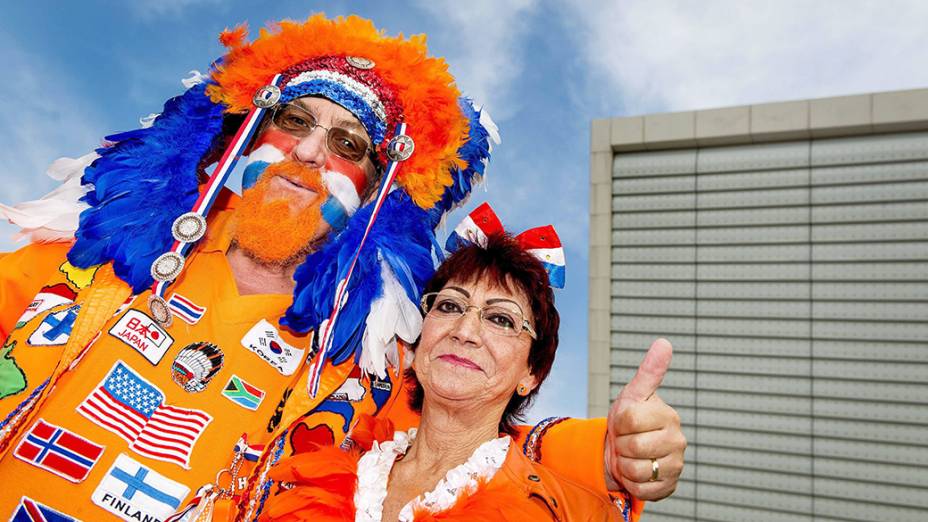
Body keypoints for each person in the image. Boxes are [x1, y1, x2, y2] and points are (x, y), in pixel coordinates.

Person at [0, 14, 684, 522]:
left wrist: (613, 453)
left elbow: (475, 447)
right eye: (293, 121)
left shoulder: (364, 365)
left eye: (347, 143)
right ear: (244, 140)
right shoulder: (83, 261)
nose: (309, 152)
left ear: (373, 194)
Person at [260, 210, 627, 521]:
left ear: (531, 372)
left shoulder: (571, 512)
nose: (465, 331)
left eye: (501, 319)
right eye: (449, 306)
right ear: (418, 343)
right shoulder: (332, 470)